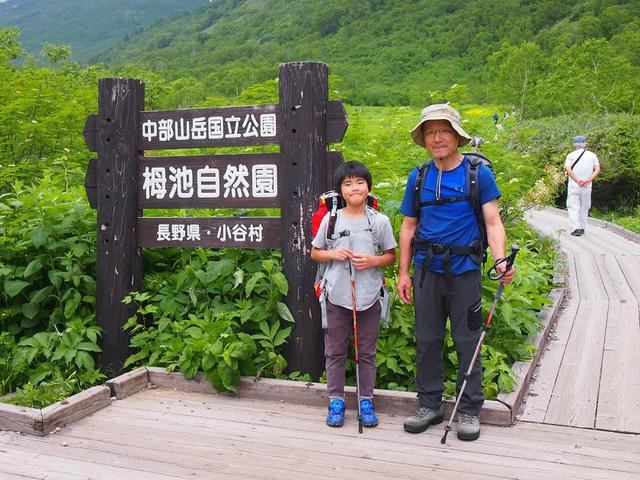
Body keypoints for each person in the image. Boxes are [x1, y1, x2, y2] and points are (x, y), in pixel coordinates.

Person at [397, 103, 515, 441]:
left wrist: (501, 260)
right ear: (424, 138)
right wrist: (403, 274)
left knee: (467, 341)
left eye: (443, 130)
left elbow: (493, 222)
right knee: (427, 340)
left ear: (456, 136)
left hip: (464, 271)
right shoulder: (418, 177)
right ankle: (430, 404)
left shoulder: (477, 175)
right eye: (431, 132)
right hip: (425, 272)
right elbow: (408, 227)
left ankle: (468, 410)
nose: (437, 138)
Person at [311, 161, 397, 428]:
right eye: (347, 184)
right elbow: (315, 252)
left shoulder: (379, 221)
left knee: (367, 352)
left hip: (369, 297)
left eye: (359, 182)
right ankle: (336, 400)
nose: (354, 188)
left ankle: (365, 400)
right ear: (340, 190)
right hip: (336, 295)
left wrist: (372, 261)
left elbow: (391, 256)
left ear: (368, 186)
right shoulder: (331, 219)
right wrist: (334, 254)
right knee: (334, 352)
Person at [564, 135, 600, 236]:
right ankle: (583, 227)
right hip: (587, 186)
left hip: (574, 185)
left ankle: (576, 228)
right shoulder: (592, 155)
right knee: (584, 207)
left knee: (573, 206)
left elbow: (568, 169)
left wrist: (577, 180)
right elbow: (597, 169)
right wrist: (588, 180)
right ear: (585, 144)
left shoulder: (570, 155)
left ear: (574, 145)